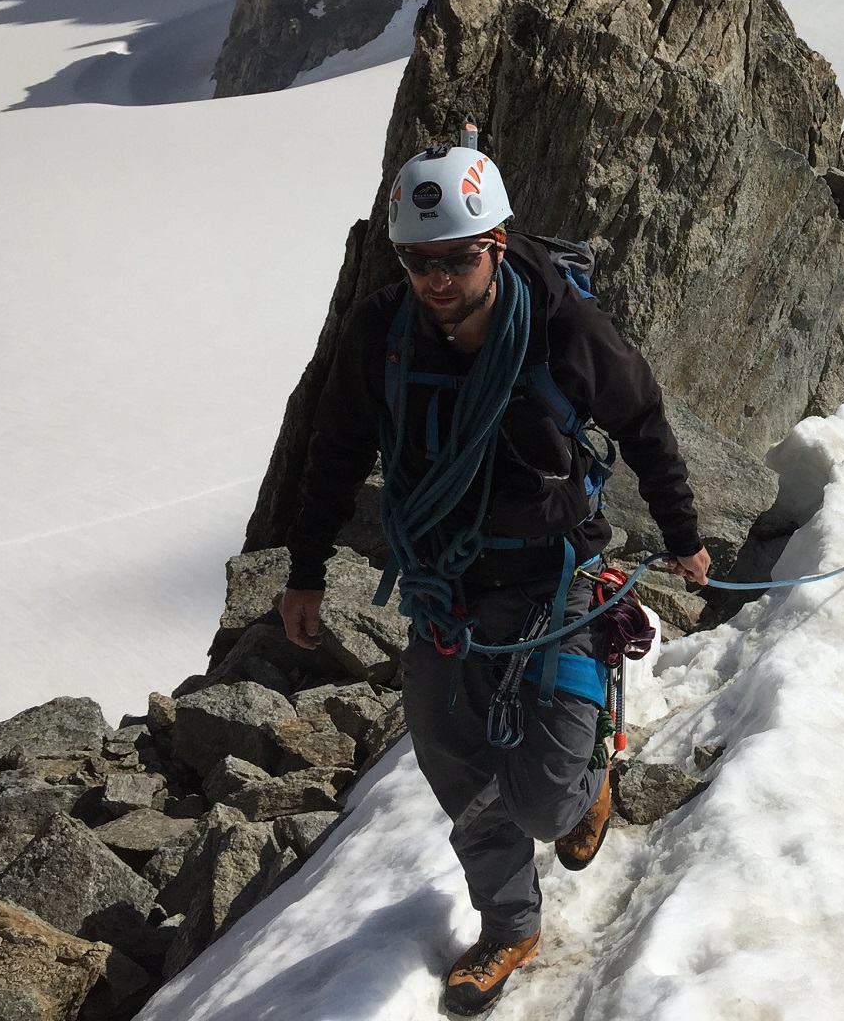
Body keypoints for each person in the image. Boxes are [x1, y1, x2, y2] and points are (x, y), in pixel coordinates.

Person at [277, 139, 709, 1015]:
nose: (436, 279)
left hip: (555, 581)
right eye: (418, 261)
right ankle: (510, 925)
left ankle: (592, 769)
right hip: (445, 588)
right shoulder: (383, 338)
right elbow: (333, 453)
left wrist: (685, 535)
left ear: (498, 244)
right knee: (458, 769)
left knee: (549, 807)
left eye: (457, 258)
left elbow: (644, 420)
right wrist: (306, 570)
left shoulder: (562, 328)